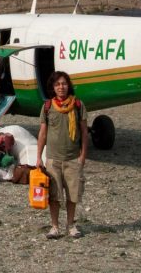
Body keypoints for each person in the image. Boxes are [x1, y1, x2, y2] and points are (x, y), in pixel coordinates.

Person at [36, 71, 88, 240]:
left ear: (68, 85)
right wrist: (38, 157)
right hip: (53, 159)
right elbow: (43, 133)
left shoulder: (78, 105)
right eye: (57, 84)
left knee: (73, 195)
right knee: (54, 196)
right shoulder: (47, 106)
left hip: (73, 159)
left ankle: (71, 225)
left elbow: (84, 132)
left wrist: (82, 156)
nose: (61, 87)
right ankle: (55, 227)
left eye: (64, 83)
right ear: (53, 87)